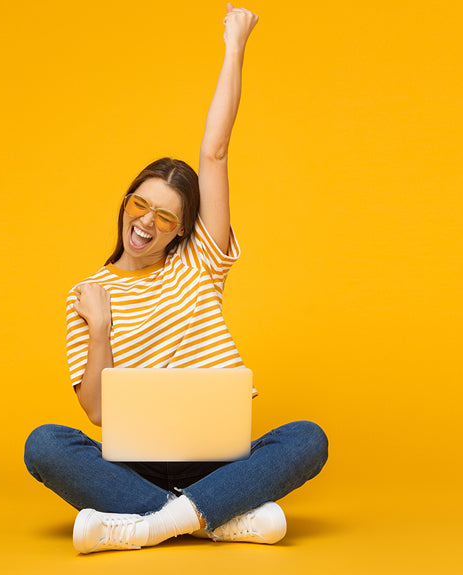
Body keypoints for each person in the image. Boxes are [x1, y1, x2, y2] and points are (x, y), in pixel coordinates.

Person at [23, 5, 328, 554]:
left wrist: (235, 45)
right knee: (45, 445)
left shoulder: (199, 262)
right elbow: (95, 412)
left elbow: (214, 151)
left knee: (307, 439)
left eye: (165, 217)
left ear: (183, 229)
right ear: (125, 204)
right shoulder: (87, 293)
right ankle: (220, 516)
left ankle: (145, 527)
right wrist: (99, 327)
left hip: (219, 458)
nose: (147, 222)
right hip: (134, 466)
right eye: (140, 205)